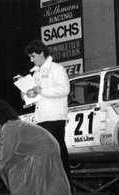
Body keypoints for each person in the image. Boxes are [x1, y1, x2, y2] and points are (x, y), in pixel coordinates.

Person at [22, 40, 71, 186]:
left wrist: (42, 91)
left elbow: (65, 90)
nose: (31, 60)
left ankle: (66, 184)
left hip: (55, 117)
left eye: (33, 56)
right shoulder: (36, 72)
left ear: (41, 53)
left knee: (58, 150)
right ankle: (51, 184)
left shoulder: (56, 69)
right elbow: (37, 95)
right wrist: (27, 95)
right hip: (42, 117)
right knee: (46, 153)